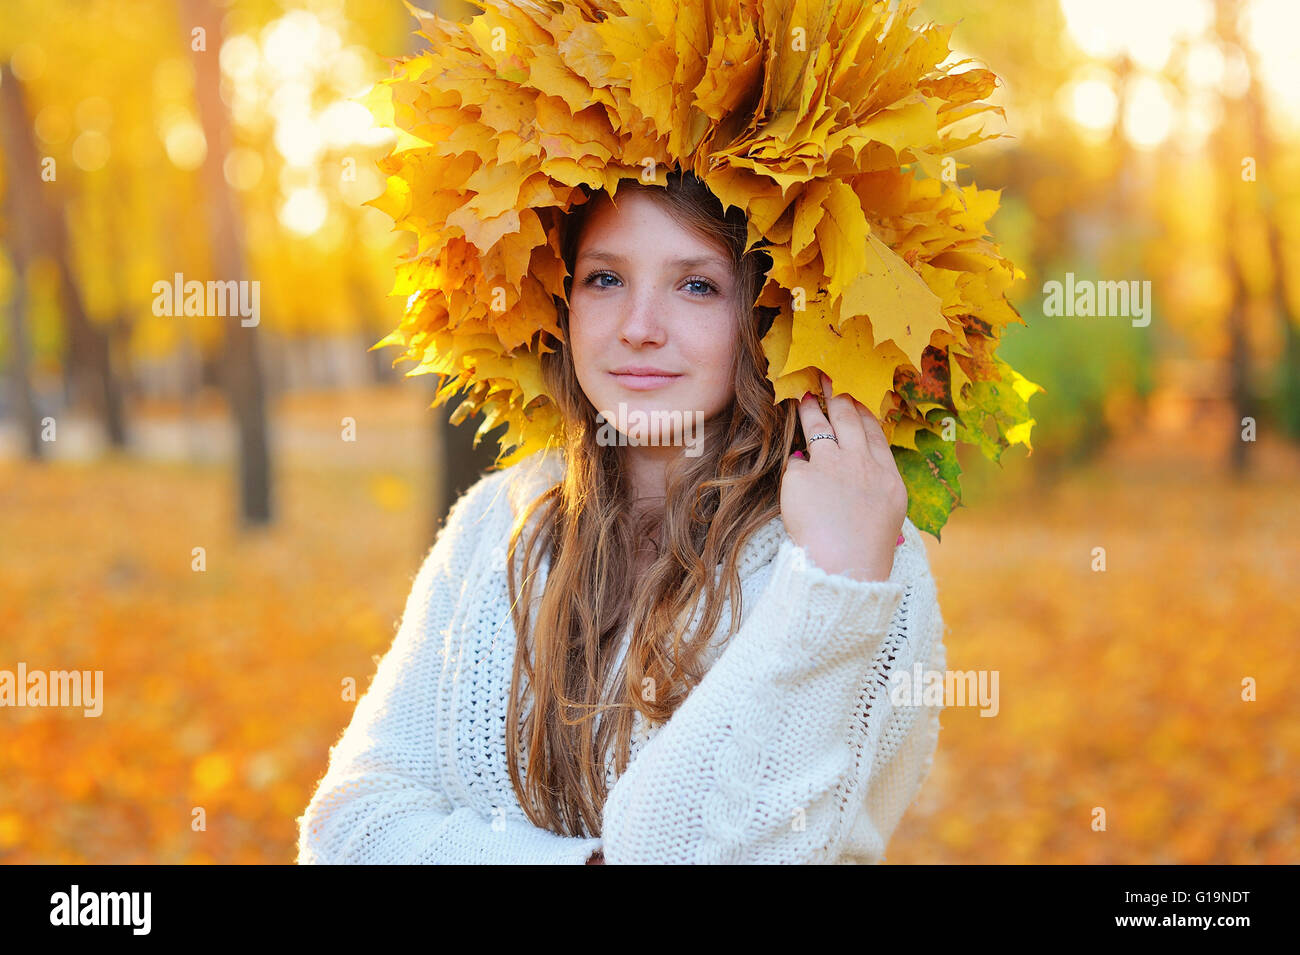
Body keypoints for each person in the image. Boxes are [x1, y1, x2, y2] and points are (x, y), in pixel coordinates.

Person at [295, 170, 948, 864]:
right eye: (605, 279)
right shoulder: (496, 522)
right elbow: (349, 830)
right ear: (564, 299)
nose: (639, 329)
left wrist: (832, 589)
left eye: (697, 285)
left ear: (772, 316)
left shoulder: (863, 570)